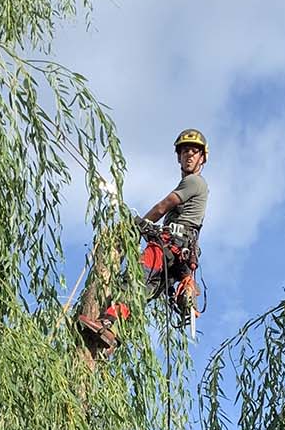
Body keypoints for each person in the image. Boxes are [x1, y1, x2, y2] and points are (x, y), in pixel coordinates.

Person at [76, 130, 209, 355]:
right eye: (185, 151)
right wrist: (150, 230)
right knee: (142, 294)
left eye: (194, 152)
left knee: (135, 280)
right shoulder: (194, 186)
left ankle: (106, 324)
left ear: (202, 158)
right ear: (178, 156)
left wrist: (137, 226)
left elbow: (163, 206)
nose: (189, 155)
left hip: (169, 246)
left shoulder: (194, 182)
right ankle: (112, 336)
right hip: (178, 254)